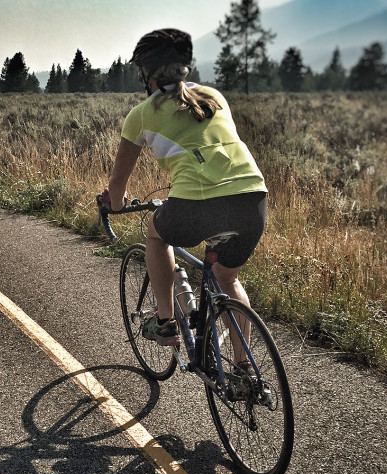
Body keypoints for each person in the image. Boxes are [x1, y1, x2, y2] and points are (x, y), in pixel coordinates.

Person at [102, 28, 268, 350]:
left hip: (196, 203)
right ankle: (244, 369)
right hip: (253, 199)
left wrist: (116, 204)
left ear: (147, 75)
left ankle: (165, 321)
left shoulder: (141, 115)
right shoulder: (214, 97)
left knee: (156, 233)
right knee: (227, 279)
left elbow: (118, 188)